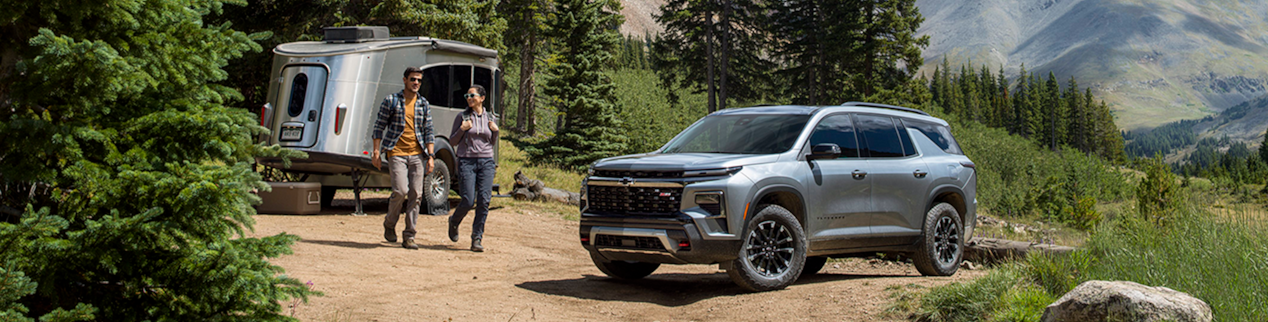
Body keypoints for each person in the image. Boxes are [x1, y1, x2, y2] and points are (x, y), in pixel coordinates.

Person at [372, 66, 435, 250]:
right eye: (413, 79)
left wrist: (431, 156)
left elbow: (429, 132)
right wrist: (376, 152)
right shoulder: (391, 101)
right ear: (405, 80)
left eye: (419, 80)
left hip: (417, 154)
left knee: (416, 194)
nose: (416, 83)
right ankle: (390, 223)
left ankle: (409, 236)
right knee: (400, 191)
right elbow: (378, 126)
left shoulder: (423, 104)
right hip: (396, 152)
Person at [448, 85, 498, 252]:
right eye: (467, 95)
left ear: (482, 98)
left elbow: (491, 142)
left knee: (484, 201)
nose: (469, 98)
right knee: (468, 200)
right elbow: (452, 142)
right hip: (466, 161)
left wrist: (496, 132)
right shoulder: (461, 117)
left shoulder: (490, 117)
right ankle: (454, 221)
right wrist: (462, 130)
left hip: (486, 162)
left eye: (472, 95)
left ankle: (477, 238)